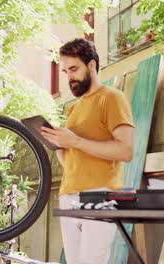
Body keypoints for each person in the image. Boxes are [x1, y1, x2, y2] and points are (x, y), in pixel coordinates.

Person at [41, 38, 135, 264]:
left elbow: (126, 151)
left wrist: (76, 141)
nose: (69, 77)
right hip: (68, 195)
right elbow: (72, 160)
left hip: (100, 195)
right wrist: (58, 144)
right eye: (65, 72)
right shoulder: (73, 109)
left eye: (74, 69)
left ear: (91, 65)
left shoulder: (112, 98)